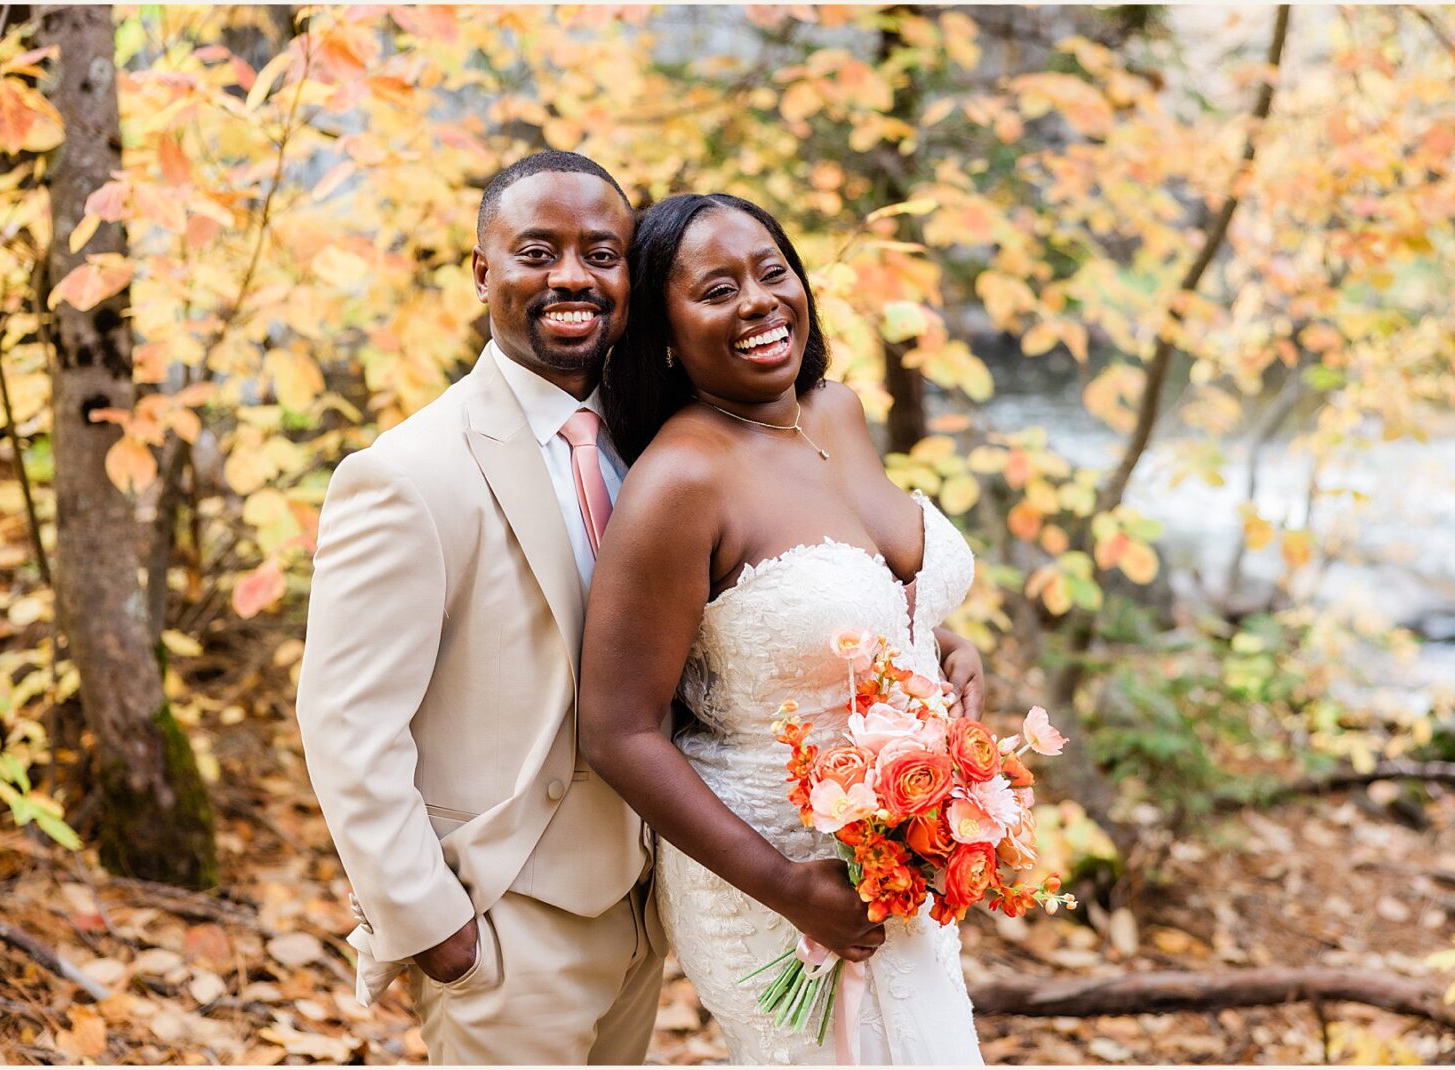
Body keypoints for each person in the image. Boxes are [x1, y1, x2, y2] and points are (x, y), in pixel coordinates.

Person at [579, 192, 988, 1064]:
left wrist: (944, 648)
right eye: (717, 289)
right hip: (776, 883)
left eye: (773, 272)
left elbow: (874, 583)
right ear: (663, 329)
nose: (761, 301)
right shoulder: (681, 482)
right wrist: (788, 887)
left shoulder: (834, 410)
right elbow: (616, 731)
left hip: (896, 859)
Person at [295, 151, 665, 1065]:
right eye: (537, 251)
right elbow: (347, 721)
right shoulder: (407, 474)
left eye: (601, 253)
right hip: (502, 928)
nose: (571, 276)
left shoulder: (653, 444)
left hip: (647, 910)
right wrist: (435, 927)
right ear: (482, 271)